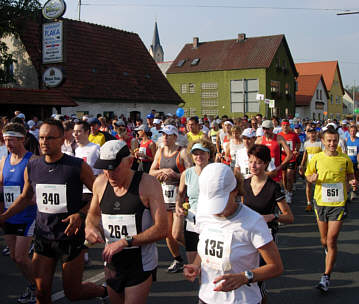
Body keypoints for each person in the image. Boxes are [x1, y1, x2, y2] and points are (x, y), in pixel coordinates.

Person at [0, 119, 107, 303]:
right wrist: (4, 217)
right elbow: (26, 197)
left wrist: (81, 214)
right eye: (41, 137)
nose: (44, 142)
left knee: (73, 293)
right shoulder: (33, 166)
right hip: (44, 237)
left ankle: (104, 292)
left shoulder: (76, 166)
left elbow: (100, 195)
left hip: (70, 238)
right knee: (41, 293)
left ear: (61, 139)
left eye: (50, 138)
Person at [184, 163, 283, 304]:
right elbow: (206, 244)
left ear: (235, 190)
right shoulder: (203, 213)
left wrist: (245, 277)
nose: (215, 210)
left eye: (220, 202)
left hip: (242, 300)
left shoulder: (253, 221)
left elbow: (276, 267)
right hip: (206, 298)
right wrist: (196, 264)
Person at [85, 140, 168, 304]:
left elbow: (162, 228)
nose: (109, 174)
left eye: (114, 168)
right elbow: (93, 215)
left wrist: (125, 242)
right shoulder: (100, 183)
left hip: (140, 263)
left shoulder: (148, 184)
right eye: (105, 168)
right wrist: (90, 227)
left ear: (130, 162)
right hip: (112, 262)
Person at [305, 127, 356, 292]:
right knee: (323, 239)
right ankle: (328, 250)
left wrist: (353, 182)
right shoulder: (317, 158)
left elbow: (350, 176)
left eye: (334, 141)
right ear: (323, 141)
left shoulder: (344, 159)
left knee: (332, 239)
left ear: (338, 141)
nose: (332, 144)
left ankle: (326, 277)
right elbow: (308, 174)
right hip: (321, 202)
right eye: (329, 141)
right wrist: (311, 178)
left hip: (338, 203)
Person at [242, 144, 294, 301]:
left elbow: (289, 217)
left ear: (265, 163)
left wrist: (272, 217)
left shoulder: (273, 187)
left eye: (257, 162)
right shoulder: (245, 184)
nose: (253, 165)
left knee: (257, 281)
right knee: (249, 281)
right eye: (250, 161)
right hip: (246, 237)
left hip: (266, 237)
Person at [0, 122, 37, 304]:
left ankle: (37, 288)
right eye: (6, 140)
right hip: (9, 215)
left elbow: (28, 197)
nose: (8, 144)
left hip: (26, 214)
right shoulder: (4, 161)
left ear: (23, 139)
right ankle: (32, 285)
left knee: (22, 257)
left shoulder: (31, 161)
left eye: (12, 140)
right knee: (14, 256)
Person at [149, 125, 192, 273]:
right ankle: (178, 259)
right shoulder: (160, 152)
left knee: (177, 233)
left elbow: (191, 173)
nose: (165, 138)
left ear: (175, 137)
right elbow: (151, 172)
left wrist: (176, 175)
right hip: (164, 195)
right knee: (167, 232)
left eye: (168, 135)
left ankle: (197, 251)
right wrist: (162, 171)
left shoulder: (182, 152)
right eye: (163, 135)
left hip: (180, 196)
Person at [174, 139, 215, 264]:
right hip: (193, 220)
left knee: (210, 263)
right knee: (193, 264)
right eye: (195, 154)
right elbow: (180, 194)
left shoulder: (216, 172)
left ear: (209, 154)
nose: (199, 156)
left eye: (202, 153)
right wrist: (178, 206)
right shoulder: (187, 173)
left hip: (211, 220)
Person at [256, 120, 292, 185]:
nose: (265, 131)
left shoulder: (279, 138)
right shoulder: (259, 140)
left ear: (272, 129)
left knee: (275, 192)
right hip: (263, 172)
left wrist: (279, 167)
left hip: (276, 172)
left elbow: (289, 154)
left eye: (267, 129)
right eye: (263, 129)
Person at [299, 126, 322, 212]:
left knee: (318, 186)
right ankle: (309, 203)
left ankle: (318, 202)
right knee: (308, 185)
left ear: (316, 134)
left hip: (318, 168)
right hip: (309, 168)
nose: (312, 134)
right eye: (310, 133)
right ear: (308, 134)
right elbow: (305, 155)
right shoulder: (306, 144)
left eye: (314, 133)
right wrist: (301, 165)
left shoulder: (320, 143)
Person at [278, 120, 301, 203]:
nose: (285, 127)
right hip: (282, 159)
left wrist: (296, 150)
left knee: (289, 176)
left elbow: (298, 143)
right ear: (281, 126)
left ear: (289, 126)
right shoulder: (279, 135)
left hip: (291, 158)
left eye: (287, 125)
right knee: (284, 177)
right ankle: (286, 190)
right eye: (284, 125)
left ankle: (289, 193)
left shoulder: (293, 134)